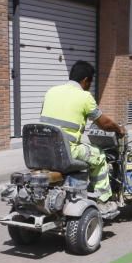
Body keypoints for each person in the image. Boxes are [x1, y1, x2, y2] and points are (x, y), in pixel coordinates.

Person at [40, 61, 125, 213]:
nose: (89, 86)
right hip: (68, 151)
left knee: (87, 150)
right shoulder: (85, 97)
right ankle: (103, 200)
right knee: (99, 155)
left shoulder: (51, 91)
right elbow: (105, 124)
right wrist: (119, 128)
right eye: (90, 82)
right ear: (85, 80)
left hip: (45, 150)